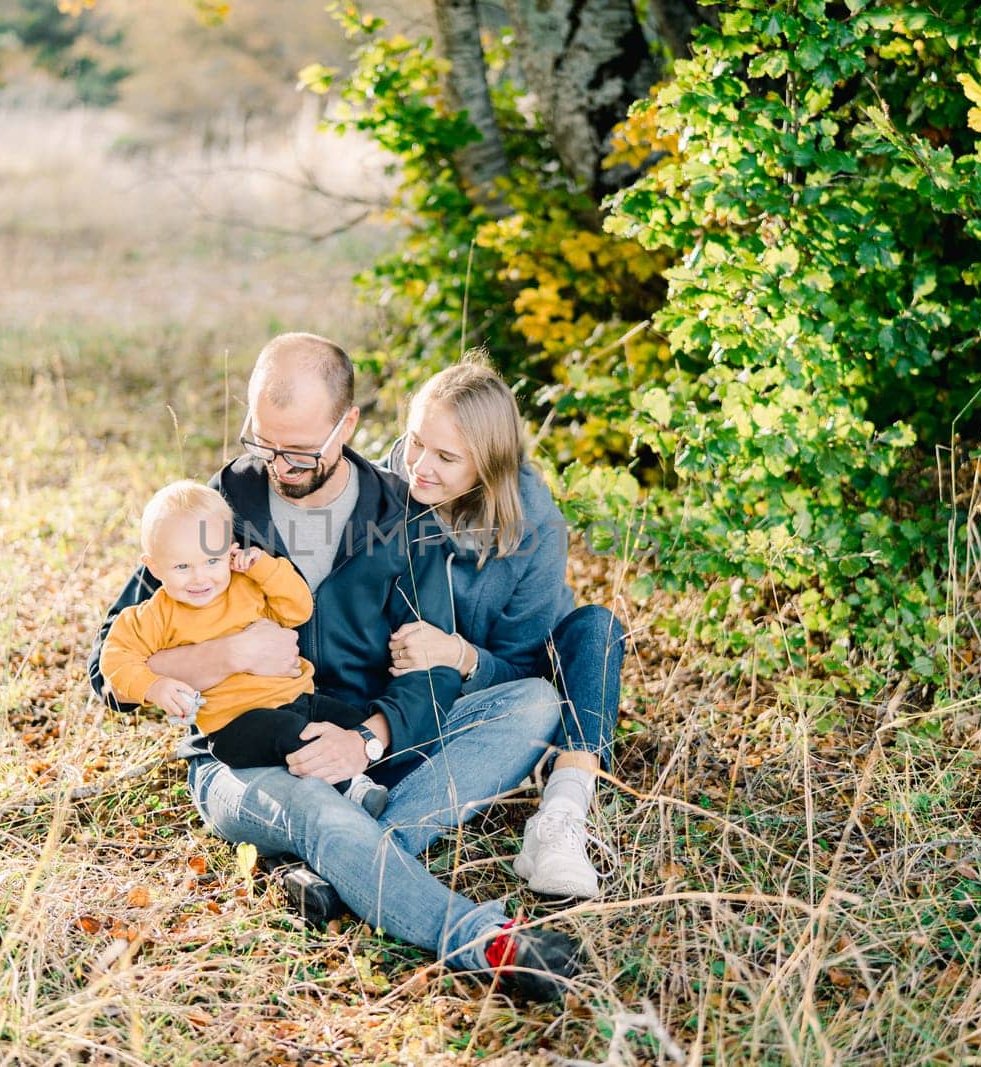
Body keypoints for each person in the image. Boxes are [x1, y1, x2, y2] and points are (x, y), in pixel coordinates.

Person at [88, 333, 581, 1001]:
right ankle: (482, 939)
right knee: (320, 808)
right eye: (262, 441)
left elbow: (431, 672)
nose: (276, 465)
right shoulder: (221, 507)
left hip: (368, 745)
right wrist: (227, 653)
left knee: (531, 703)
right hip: (244, 756)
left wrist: (369, 736)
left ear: (347, 425)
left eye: (298, 450)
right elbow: (108, 666)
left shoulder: (402, 516)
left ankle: (340, 868)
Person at [383, 362, 626, 899]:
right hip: (412, 691)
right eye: (415, 442)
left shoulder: (536, 525)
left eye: (446, 457)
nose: (419, 466)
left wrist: (461, 656)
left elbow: (522, 665)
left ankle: (561, 816)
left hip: (512, 684)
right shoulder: (383, 486)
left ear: (490, 466)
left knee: (598, 630)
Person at [98, 479, 389, 814]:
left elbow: (299, 608)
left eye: (212, 561)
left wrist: (264, 568)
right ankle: (353, 789)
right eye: (181, 566)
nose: (199, 578)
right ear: (152, 566)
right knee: (293, 734)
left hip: (298, 700)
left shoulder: (247, 586)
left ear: (230, 549)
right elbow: (115, 661)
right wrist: (154, 686)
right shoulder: (155, 616)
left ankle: (372, 776)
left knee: (353, 720)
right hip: (236, 726)